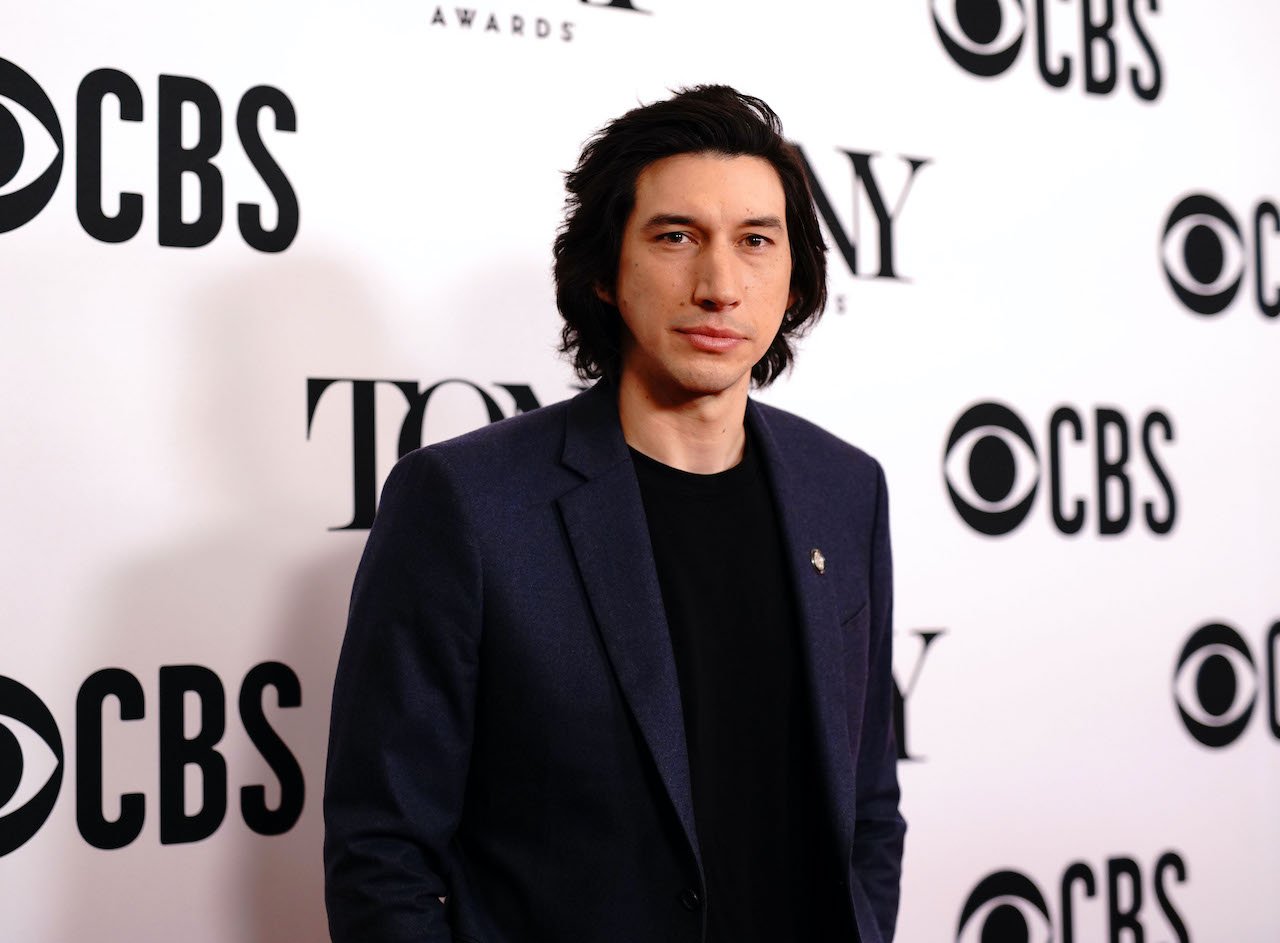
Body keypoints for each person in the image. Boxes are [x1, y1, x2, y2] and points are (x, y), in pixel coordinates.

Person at [323, 84, 905, 943]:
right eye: (677, 237)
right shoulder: (468, 503)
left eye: (756, 241)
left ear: (793, 278)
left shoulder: (845, 489)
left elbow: (868, 802)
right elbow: (382, 851)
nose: (718, 284)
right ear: (605, 271)